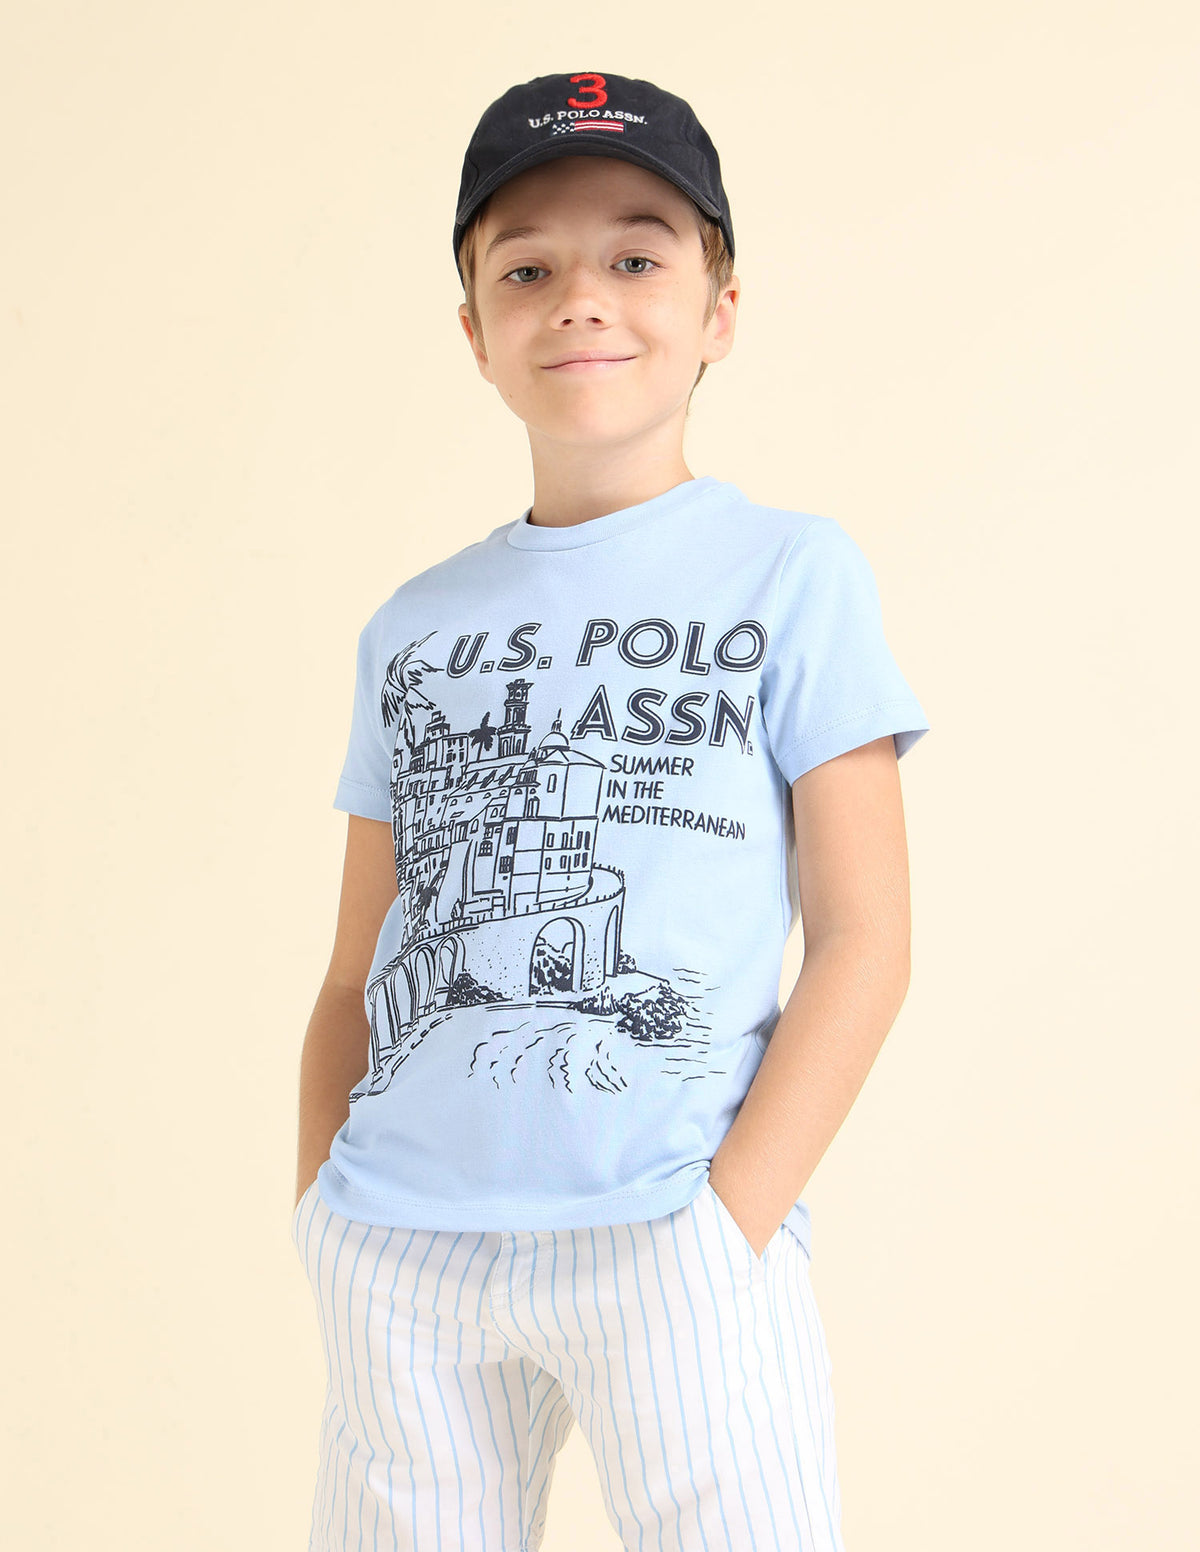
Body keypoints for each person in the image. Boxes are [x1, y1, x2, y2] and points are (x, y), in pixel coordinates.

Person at [291, 69, 930, 1552]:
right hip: (399, 1252)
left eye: (638, 256)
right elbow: (354, 967)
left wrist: (728, 1220)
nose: (583, 296)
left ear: (719, 310)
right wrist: (323, 1201)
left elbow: (865, 938)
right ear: (474, 331)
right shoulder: (414, 626)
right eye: (528, 268)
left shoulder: (793, 574)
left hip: (670, 1236)